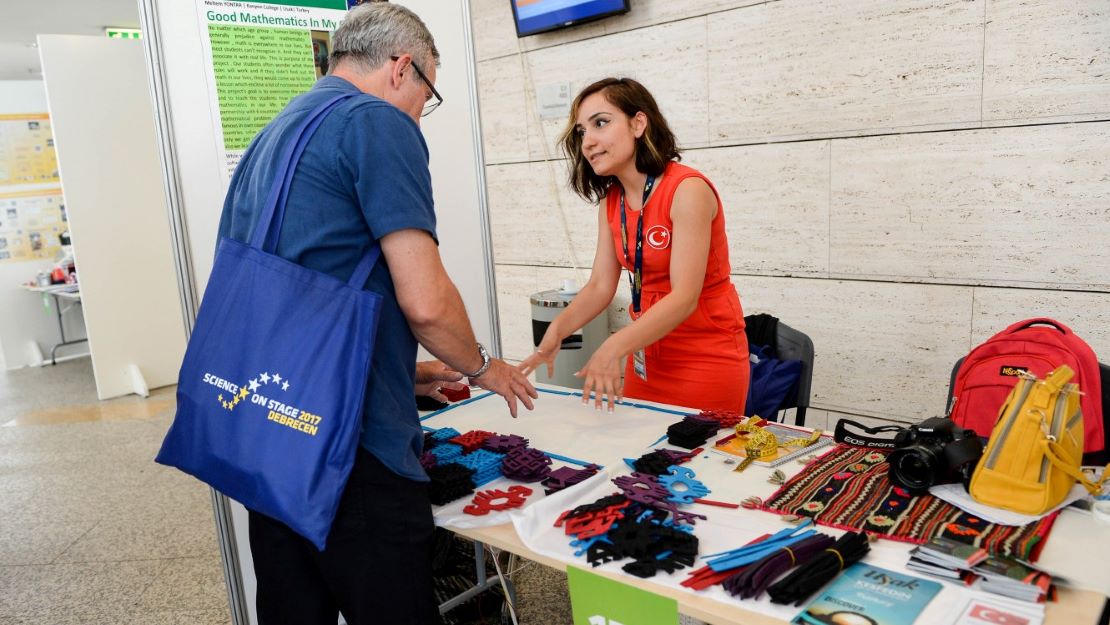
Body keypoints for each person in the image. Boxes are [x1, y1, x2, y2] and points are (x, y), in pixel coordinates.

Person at [215, 5, 537, 624]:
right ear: (402, 67)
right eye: (428, 91)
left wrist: (404, 372)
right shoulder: (377, 124)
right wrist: (484, 366)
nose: (422, 109)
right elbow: (424, 300)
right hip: (351, 448)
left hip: (272, 433)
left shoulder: (278, 130)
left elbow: (292, 291)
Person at [520, 77, 749, 414]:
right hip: (646, 356)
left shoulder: (687, 191)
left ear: (638, 123)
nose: (588, 142)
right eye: (582, 131)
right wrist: (557, 331)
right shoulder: (611, 202)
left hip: (705, 358)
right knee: (644, 462)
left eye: (601, 123)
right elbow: (600, 286)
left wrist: (613, 347)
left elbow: (684, 298)